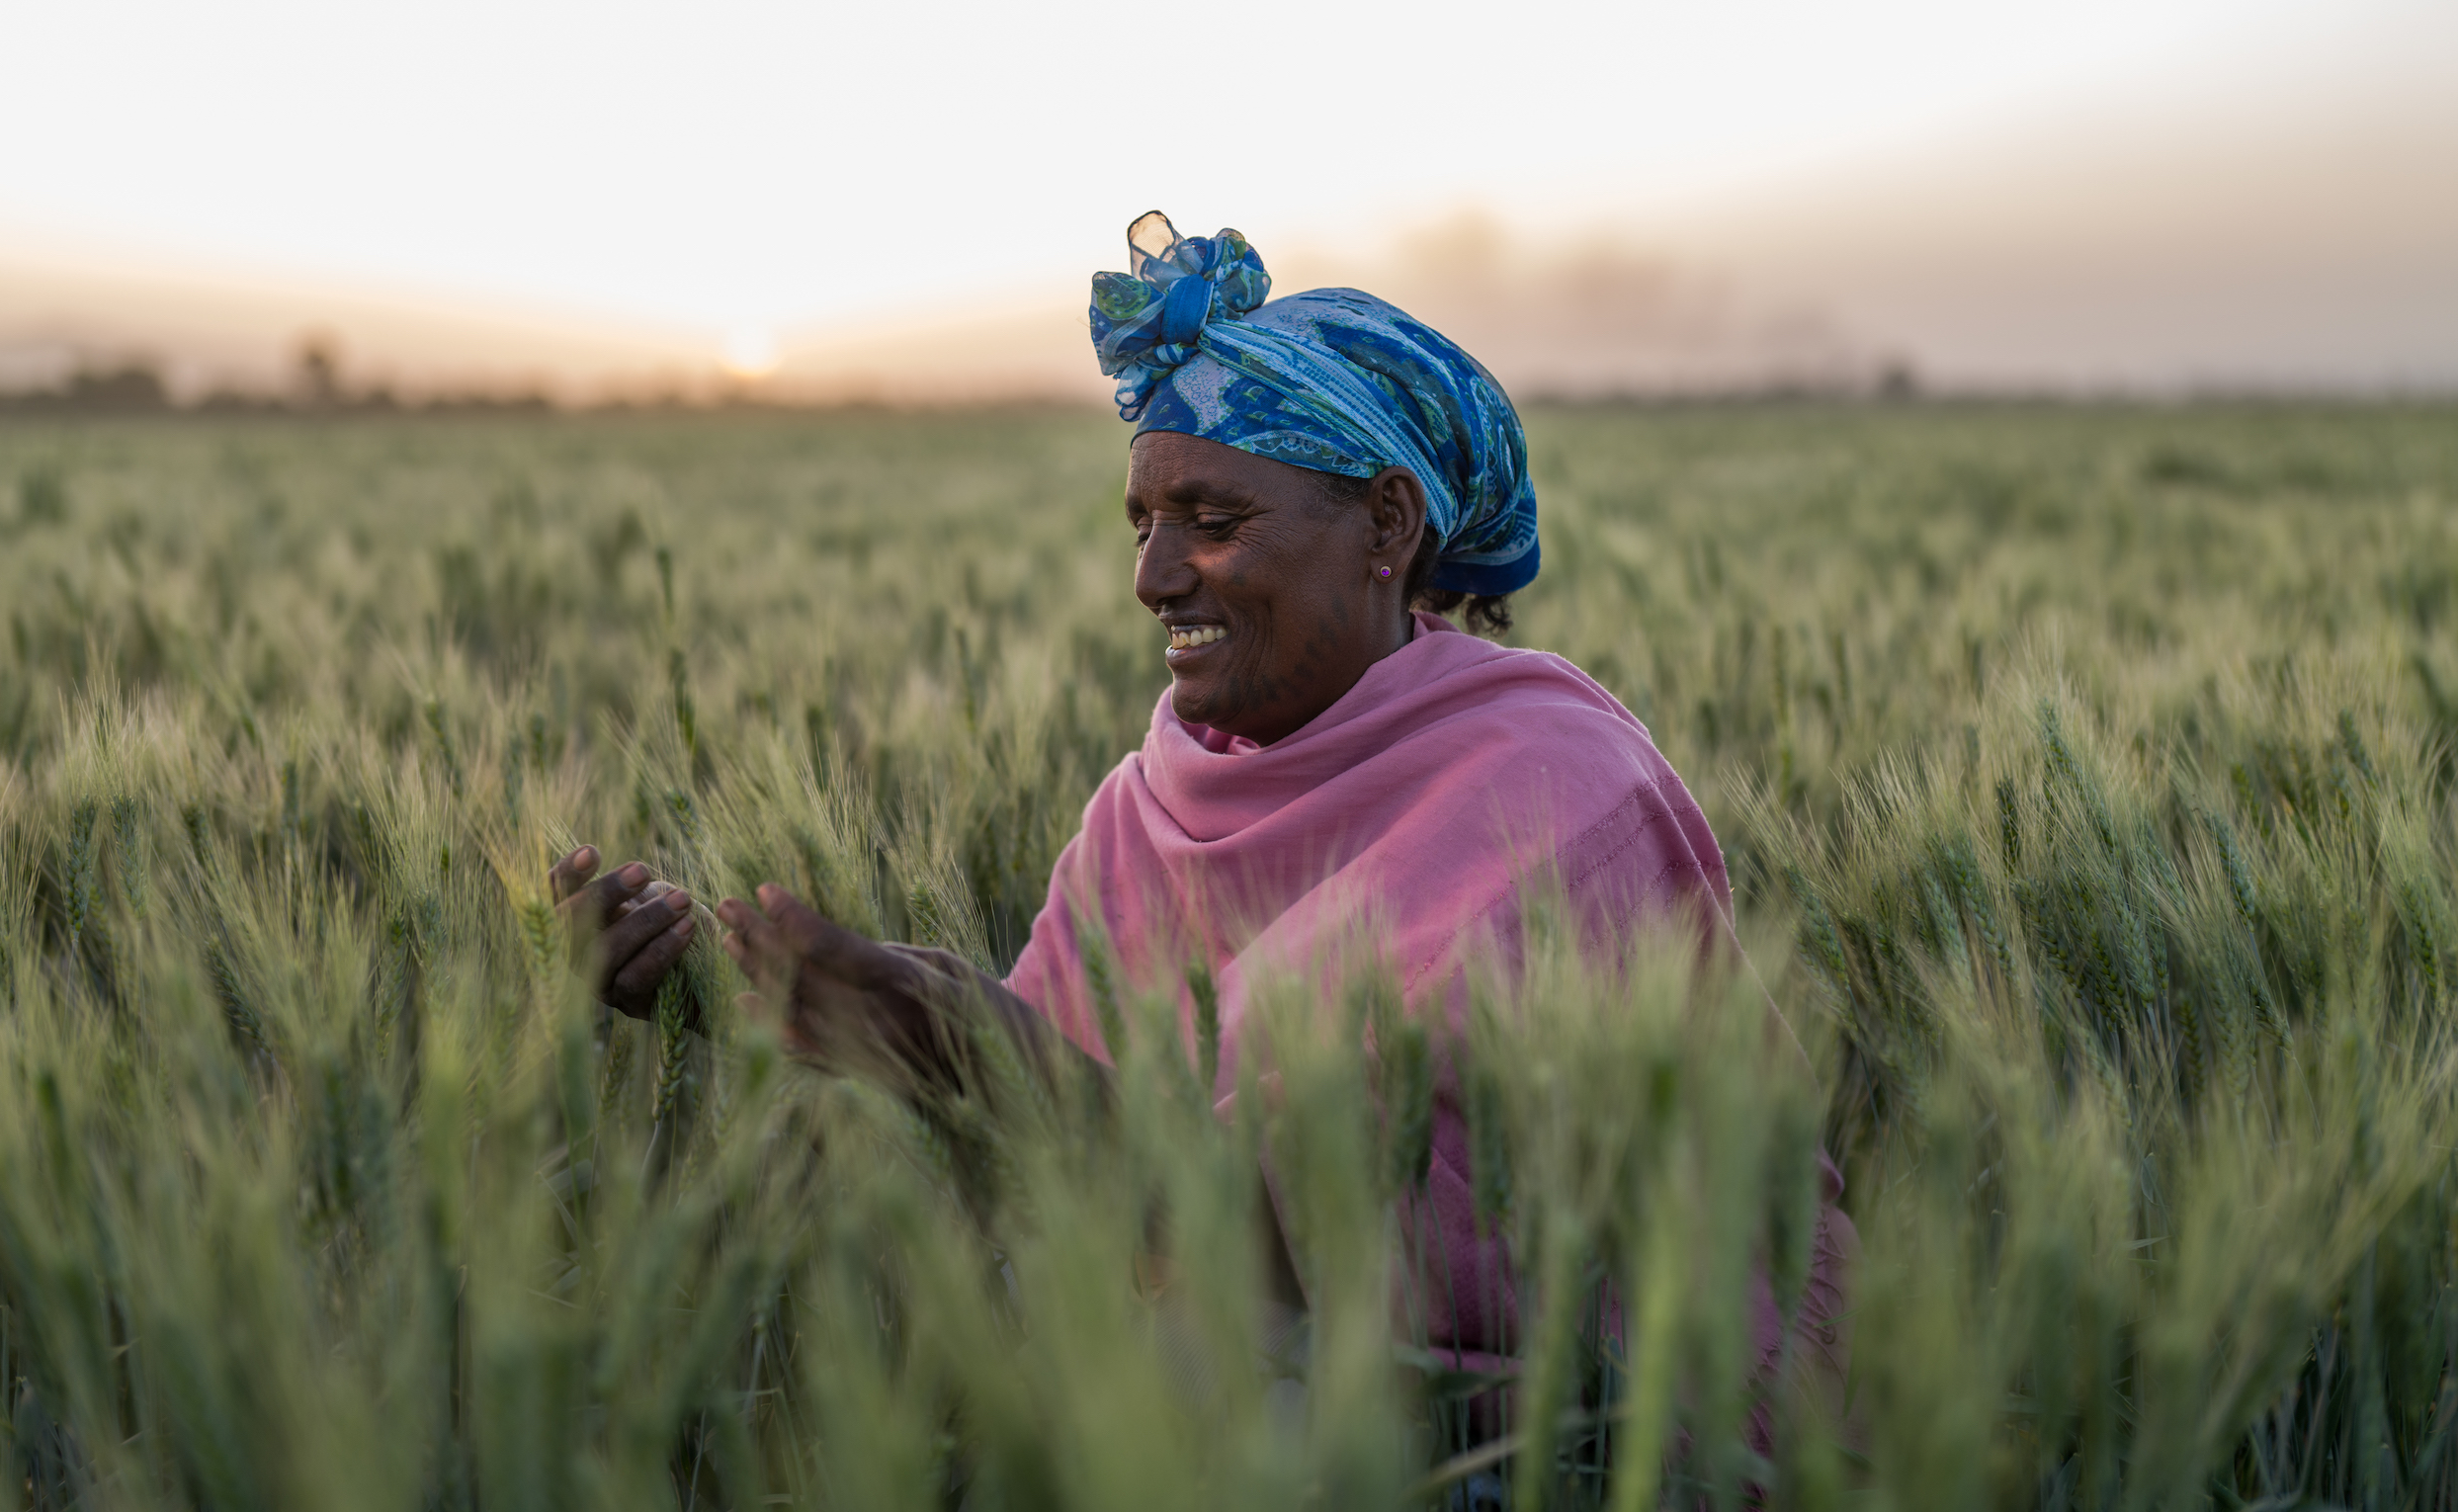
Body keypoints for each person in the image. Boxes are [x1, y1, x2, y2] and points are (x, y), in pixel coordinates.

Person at [548, 211, 1852, 1430]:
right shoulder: (1152, 802)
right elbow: (1045, 1181)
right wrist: (720, 997)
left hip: (1573, 1438)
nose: (1154, 576)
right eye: (1142, 523)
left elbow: (1384, 1258)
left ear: (1385, 524)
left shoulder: (1555, 794)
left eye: (1213, 522)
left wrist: (990, 1058)